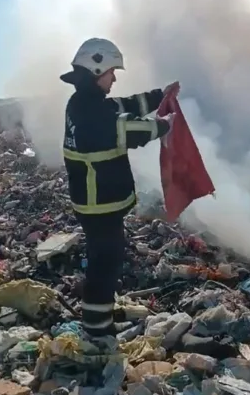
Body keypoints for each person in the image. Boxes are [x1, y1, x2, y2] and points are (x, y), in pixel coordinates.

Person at [60, 37, 176, 341]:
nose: (114, 79)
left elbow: (123, 106)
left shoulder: (84, 102)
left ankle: (101, 321)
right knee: (104, 266)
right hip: (99, 203)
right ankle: (98, 332)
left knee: (105, 262)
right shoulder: (90, 111)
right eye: (112, 72)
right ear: (97, 69)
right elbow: (127, 129)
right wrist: (164, 125)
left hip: (95, 201)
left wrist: (159, 96)